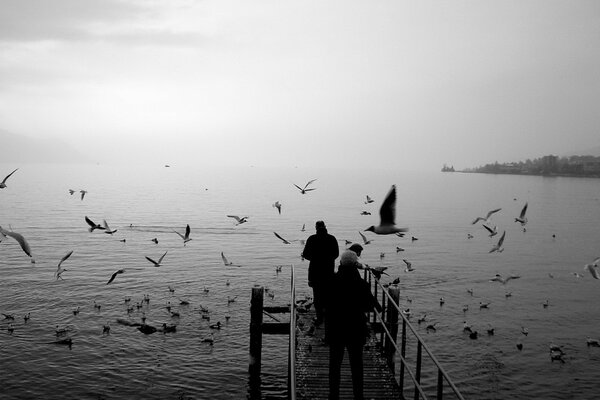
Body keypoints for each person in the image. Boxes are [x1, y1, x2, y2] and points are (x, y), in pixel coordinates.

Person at [326, 250, 381, 400]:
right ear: (356, 264)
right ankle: (358, 396)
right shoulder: (362, 284)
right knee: (357, 365)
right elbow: (372, 307)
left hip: (335, 329)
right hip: (355, 330)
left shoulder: (331, 281)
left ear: (341, 263)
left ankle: (333, 395)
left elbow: (325, 304)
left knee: (334, 365)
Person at [301, 220, 339, 326]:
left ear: (316, 227)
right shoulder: (332, 238)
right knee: (328, 294)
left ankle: (319, 318)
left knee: (317, 295)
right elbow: (336, 254)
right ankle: (328, 317)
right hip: (328, 271)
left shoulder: (312, 238)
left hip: (315, 271)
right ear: (325, 227)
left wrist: (315, 259)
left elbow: (305, 254)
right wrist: (328, 259)